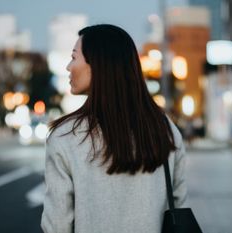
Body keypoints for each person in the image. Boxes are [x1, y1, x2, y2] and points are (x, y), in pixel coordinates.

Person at [40, 24, 187, 233]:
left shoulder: (66, 137)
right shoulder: (164, 129)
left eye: (74, 57)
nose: (68, 67)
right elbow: (179, 204)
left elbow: (57, 226)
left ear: (98, 65)